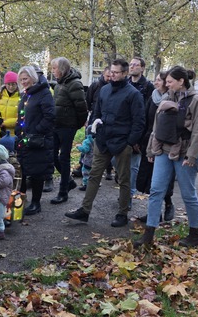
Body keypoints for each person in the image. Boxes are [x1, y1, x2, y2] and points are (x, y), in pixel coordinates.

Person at [65, 59, 145, 227]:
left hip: (122, 143)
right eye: (111, 72)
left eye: (116, 72)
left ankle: (122, 213)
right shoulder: (104, 90)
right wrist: (95, 131)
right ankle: (84, 211)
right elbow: (96, 112)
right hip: (102, 141)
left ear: (124, 74)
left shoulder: (133, 94)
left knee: (123, 179)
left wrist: (129, 142)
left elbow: (139, 122)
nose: (112, 75)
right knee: (94, 175)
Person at [135, 66, 198, 248]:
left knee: (188, 194)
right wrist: (152, 150)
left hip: (185, 153)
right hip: (164, 151)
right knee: (156, 190)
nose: (166, 85)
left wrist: (191, 156)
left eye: (169, 82)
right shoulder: (167, 98)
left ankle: (194, 234)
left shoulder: (197, 101)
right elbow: (157, 127)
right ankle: (149, 233)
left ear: (181, 81)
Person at [14, 66, 55, 215]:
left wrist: (36, 130)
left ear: (33, 78)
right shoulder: (25, 95)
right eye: (21, 79)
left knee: (37, 172)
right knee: (23, 171)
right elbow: (22, 115)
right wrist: (19, 129)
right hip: (25, 140)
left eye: (26, 79)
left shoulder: (44, 93)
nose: (23, 82)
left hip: (38, 140)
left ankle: (36, 203)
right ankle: (20, 201)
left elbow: (50, 116)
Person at [137, 71, 175, 223]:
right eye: (156, 80)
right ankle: (154, 213)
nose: (155, 82)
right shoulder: (152, 97)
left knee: (162, 179)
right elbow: (145, 119)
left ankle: (168, 204)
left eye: (159, 80)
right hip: (149, 142)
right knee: (149, 181)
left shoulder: (172, 98)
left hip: (165, 144)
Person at [49, 57, 88, 205]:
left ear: (62, 69)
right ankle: (69, 181)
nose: (53, 71)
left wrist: (74, 126)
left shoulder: (74, 84)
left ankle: (63, 191)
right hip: (56, 126)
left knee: (64, 158)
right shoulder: (59, 84)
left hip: (67, 127)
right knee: (52, 156)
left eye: (54, 68)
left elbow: (82, 108)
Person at [127, 57, 155, 204]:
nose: (132, 67)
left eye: (135, 65)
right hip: (123, 131)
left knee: (133, 167)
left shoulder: (149, 87)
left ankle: (128, 197)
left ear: (142, 68)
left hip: (139, 132)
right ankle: (126, 191)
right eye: (130, 64)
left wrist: (139, 138)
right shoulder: (125, 84)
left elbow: (148, 114)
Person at [86, 66, 113, 181]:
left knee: (108, 146)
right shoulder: (95, 86)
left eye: (111, 76)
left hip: (107, 120)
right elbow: (88, 101)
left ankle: (108, 170)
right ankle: (87, 168)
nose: (109, 78)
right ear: (103, 74)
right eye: (107, 76)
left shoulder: (113, 87)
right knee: (91, 145)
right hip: (95, 118)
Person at [0, 71, 20, 141]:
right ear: (5, 84)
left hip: (14, 136)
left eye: (13, 84)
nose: (11, 87)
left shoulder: (21, 97)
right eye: (8, 84)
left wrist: (4, 123)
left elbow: (21, 118)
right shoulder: (0, 96)